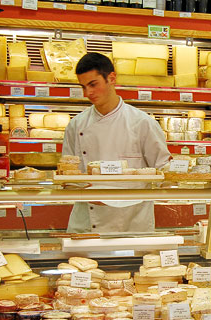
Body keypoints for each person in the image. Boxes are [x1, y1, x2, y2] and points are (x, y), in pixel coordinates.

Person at [62, 52, 170, 233]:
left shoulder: (142, 122)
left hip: (132, 220)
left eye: (93, 84)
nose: (88, 93)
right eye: (83, 87)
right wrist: (80, 189)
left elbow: (164, 169)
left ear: (111, 79)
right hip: (88, 221)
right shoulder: (76, 125)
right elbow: (69, 175)